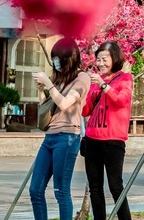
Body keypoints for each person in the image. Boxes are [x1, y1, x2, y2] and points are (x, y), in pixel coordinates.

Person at [31, 39, 91, 220]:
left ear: (69, 58)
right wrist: (42, 91)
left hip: (67, 138)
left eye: (58, 58)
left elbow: (65, 103)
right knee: (35, 190)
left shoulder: (82, 78)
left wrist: (49, 84)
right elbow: (48, 110)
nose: (55, 62)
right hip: (49, 137)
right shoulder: (59, 79)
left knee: (61, 191)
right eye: (54, 58)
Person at [83, 41, 134, 220]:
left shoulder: (125, 78)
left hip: (113, 141)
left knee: (115, 186)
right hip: (92, 139)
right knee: (95, 187)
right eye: (98, 59)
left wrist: (105, 86)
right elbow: (86, 110)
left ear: (115, 59)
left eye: (105, 59)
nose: (101, 63)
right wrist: (84, 92)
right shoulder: (95, 81)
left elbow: (121, 100)